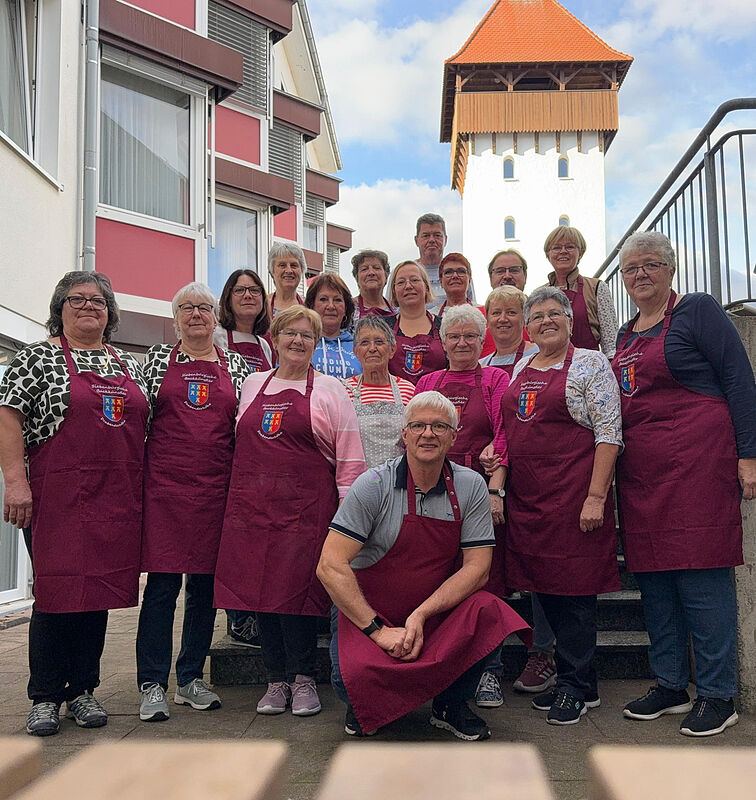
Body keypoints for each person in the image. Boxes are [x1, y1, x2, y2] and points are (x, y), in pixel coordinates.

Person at [317, 391, 530, 740]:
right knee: (345, 683)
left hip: (434, 613)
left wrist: (421, 615)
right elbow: (330, 566)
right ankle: (368, 702)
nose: (428, 434)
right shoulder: (372, 485)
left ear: (454, 436)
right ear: (404, 434)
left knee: (487, 610)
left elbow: (478, 569)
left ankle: (450, 704)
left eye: (439, 426)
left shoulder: (470, 485)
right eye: (418, 426)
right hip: (372, 611)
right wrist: (378, 631)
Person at [612, 231, 756, 737]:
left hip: (698, 465)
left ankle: (718, 694)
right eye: (631, 268)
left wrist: (749, 455)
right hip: (642, 476)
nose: (640, 274)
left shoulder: (697, 310)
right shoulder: (625, 335)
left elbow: (739, 379)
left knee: (702, 580)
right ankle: (671, 685)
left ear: (670, 269)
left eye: (650, 264)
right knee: (655, 584)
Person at [0, 272, 149, 737]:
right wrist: (15, 482)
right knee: (56, 593)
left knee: (96, 595)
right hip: (57, 499)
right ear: (59, 307)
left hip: (115, 499)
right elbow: (8, 416)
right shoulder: (37, 357)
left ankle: (83, 690)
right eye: (77, 299)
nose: (88, 306)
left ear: (110, 313)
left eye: (98, 301)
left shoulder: (125, 363)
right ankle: (45, 696)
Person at [214, 307, 366, 718]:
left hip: (306, 512)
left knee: (299, 596)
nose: (298, 341)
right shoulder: (252, 384)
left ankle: (303, 680)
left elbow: (350, 460)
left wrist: (348, 517)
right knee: (260, 595)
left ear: (316, 344)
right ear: (275, 339)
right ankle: (275, 679)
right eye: (290, 333)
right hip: (253, 510)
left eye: (307, 335)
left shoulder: (331, 390)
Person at [502, 286, 622, 725]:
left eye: (556, 313)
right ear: (527, 328)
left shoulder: (590, 363)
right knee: (544, 589)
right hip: (530, 501)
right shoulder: (522, 365)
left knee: (575, 595)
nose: (547, 321)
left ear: (571, 322)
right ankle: (579, 682)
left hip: (574, 497)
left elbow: (609, 433)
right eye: (538, 316)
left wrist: (596, 496)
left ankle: (574, 686)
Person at [136, 282, 249, 723]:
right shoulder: (155, 361)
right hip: (165, 491)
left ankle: (190, 679)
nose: (196, 314)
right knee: (161, 589)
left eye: (204, 307)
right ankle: (151, 683)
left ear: (216, 316)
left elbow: (245, 429)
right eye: (187, 308)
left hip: (215, 492)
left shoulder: (236, 366)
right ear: (176, 317)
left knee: (204, 591)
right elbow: (137, 422)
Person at [415, 304, 510, 706]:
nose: (462, 343)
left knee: (486, 580)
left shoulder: (495, 378)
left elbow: (505, 432)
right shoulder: (428, 382)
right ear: (442, 342)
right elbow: (415, 433)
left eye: (470, 336)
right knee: (438, 576)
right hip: (434, 488)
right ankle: (440, 665)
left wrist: (495, 488)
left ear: (481, 339)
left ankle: (490, 670)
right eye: (454, 336)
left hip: (478, 490)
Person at [343, 316, 415, 469]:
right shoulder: (344, 390)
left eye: (379, 342)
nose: (372, 348)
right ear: (356, 351)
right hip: (358, 478)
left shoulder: (408, 390)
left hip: (399, 476)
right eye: (364, 342)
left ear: (392, 350)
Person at [544, 226, 618, 356]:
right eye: (556, 248)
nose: (563, 251)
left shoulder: (596, 288)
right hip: (551, 365)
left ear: (581, 253)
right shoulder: (540, 294)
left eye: (570, 247)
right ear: (548, 254)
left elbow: (611, 343)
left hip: (590, 365)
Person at [385, 261, 446, 385]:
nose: (408, 286)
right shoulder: (383, 327)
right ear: (394, 291)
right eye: (401, 282)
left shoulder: (444, 326)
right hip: (394, 396)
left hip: (437, 396)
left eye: (414, 280)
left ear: (426, 287)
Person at [216, 269, 272, 374]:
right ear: (228, 299)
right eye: (239, 290)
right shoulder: (216, 336)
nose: (247, 295)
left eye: (254, 290)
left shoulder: (264, 345)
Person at [305, 273, 361, 379]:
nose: (331, 306)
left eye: (337, 300)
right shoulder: (300, 342)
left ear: (346, 308)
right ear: (312, 306)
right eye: (323, 299)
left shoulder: (360, 346)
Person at [480, 286, 538, 375]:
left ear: (524, 318)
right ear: (487, 319)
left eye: (511, 312)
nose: (502, 319)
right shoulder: (481, 366)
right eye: (496, 313)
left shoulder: (538, 354)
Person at [351, 250, 394, 326]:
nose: (371, 273)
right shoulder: (349, 309)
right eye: (364, 269)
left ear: (386, 276)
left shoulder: (397, 311)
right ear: (357, 278)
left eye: (376, 268)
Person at [414, 213, 448, 301]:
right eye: (426, 236)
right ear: (416, 240)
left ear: (445, 240)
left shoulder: (460, 272)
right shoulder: (402, 273)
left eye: (437, 235)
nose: (432, 240)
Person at [267, 242, 306, 318]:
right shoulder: (261, 305)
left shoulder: (309, 306)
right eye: (282, 265)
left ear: (301, 270)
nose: (289, 271)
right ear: (272, 271)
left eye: (294, 265)